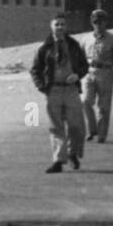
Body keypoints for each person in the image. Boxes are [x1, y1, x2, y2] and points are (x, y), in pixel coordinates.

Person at [31, 13, 89, 173]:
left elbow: (84, 66)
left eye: (62, 24)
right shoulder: (44, 48)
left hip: (71, 90)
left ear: (66, 27)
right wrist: (42, 87)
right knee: (56, 127)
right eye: (57, 24)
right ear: (51, 26)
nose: (60, 27)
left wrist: (77, 75)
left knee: (76, 126)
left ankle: (72, 153)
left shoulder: (74, 45)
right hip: (53, 91)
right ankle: (58, 160)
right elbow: (35, 70)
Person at [81, 9, 113, 143]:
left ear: (105, 23)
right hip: (89, 72)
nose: (98, 25)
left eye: (101, 22)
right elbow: (79, 58)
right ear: (91, 23)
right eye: (95, 22)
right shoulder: (86, 39)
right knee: (85, 102)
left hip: (105, 72)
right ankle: (92, 129)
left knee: (104, 106)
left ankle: (101, 134)